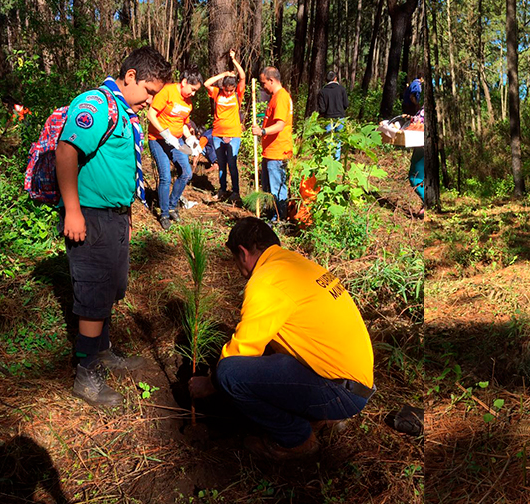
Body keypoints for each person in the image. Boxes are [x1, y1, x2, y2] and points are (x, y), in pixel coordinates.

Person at [188, 217, 375, 460]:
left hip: (340, 393)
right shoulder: (296, 265)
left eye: (235, 259)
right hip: (356, 384)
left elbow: (241, 352)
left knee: (229, 373)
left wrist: (210, 383)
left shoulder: (266, 281)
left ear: (243, 253)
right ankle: (322, 415)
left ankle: (296, 438)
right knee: (269, 356)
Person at [56, 46, 171, 406]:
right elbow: (66, 151)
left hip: (115, 217)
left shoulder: (127, 113)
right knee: (92, 294)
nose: (150, 101)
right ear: (132, 77)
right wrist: (72, 210)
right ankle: (86, 374)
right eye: (149, 92)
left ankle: (102, 349)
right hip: (89, 216)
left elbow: (122, 169)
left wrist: (128, 216)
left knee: (109, 289)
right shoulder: (96, 104)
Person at [147, 67, 203, 230]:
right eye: (192, 89)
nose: (193, 94)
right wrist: (165, 134)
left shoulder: (188, 103)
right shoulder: (168, 91)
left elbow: (183, 124)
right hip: (158, 139)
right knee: (165, 176)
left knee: (186, 172)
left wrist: (191, 140)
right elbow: (151, 114)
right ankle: (164, 214)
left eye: (196, 91)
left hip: (177, 141)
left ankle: (172, 206)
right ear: (184, 82)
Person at [251, 67, 293, 222]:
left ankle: (279, 220)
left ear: (271, 80)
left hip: (278, 152)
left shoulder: (281, 97)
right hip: (270, 152)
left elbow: (280, 125)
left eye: (264, 83)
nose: (263, 87)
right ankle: (271, 217)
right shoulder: (275, 97)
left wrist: (262, 131)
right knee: (269, 190)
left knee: (277, 190)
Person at [205, 50, 246, 204]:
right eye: (227, 90)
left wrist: (234, 60)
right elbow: (206, 83)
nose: (229, 93)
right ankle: (222, 190)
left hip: (234, 134)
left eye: (231, 90)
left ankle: (235, 192)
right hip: (217, 134)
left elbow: (242, 76)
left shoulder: (237, 94)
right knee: (221, 164)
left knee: (232, 164)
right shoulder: (218, 93)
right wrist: (223, 75)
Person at [317, 70, 349, 160]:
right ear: (335, 79)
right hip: (340, 118)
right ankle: (337, 160)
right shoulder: (342, 89)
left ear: (326, 80)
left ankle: (329, 160)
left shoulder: (322, 92)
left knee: (329, 141)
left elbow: (322, 109)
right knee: (338, 140)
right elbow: (346, 104)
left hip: (328, 119)